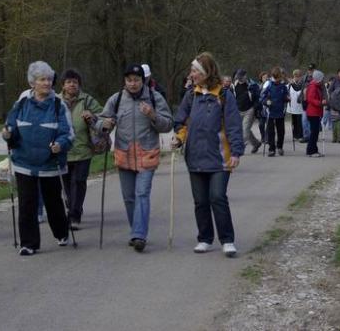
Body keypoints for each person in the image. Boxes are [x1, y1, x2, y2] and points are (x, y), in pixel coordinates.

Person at [173, 52, 244, 257]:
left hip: (220, 158)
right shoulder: (190, 95)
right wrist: (179, 137)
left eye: (195, 70)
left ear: (206, 72)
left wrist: (237, 152)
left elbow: (233, 126)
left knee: (217, 197)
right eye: (192, 70)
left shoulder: (224, 95)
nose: (191, 74)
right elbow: (181, 121)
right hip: (195, 156)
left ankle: (227, 240)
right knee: (200, 201)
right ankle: (204, 238)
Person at [96, 64, 173, 252]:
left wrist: (152, 115)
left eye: (136, 80)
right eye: (129, 80)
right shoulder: (117, 99)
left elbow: (168, 124)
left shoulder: (155, 98)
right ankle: (136, 230)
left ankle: (139, 235)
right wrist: (104, 124)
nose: (133, 84)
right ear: (125, 81)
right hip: (124, 154)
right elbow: (101, 122)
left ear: (143, 80)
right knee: (129, 198)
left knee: (142, 194)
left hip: (147, 153)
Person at [3, 61, 73, 256]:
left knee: (53, 202)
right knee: (27, 203)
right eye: (42, 79)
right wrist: (8, 134)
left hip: (49, 163)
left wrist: (60, 144)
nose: (47, 83)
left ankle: (61, 232)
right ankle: (29, 243)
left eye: (49, 79)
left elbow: (68, 134)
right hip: (24, 162)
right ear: (33, 82)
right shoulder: (22, 102)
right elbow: (10, 125)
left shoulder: (59, 105)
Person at [58, 68, 102, 229]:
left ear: (79, 85)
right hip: (63, 151)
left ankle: (74, 215)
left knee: (79, 181)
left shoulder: (87, 100)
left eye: (75, 82)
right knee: (66, 185)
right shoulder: (55, 101)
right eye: (68, 82)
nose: (72, 85)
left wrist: (92, 116)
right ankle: (73, 206)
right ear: (63, 85)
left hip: (83, 149)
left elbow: (103, 116)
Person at [260, 67, 289, 156]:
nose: (277, 79)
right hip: (270, 111)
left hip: (280, 111)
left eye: (278, 78)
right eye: (275, 78)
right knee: (270, 131)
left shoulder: (283, 86)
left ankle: (279, 147)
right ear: (273, 76)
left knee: (281, 131)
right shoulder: (268, 84)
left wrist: (287, 99)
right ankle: (271, 149)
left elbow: (285, 96)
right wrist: (266, 102)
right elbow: (262, 97)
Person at [233, 69, 262, 154]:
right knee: (246, 129)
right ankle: (256, 143)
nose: (244, 77)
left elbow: (258, 97)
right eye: (242, 76)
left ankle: (240, 148)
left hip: (249, 110)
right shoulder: (234, 85)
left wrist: (255, 107)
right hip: (238, 110)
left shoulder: (252, 85)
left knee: (245, 129)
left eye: (245, 75)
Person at [305, 69, 325, 157]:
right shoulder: (313, 86)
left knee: (315, 132)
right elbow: (310, 99)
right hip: (313, 112)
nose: (323, 80)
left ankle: (314, 150)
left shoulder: (317, 86)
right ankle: (311, 151)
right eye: (322, 78)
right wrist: (320, 103)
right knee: (314, 132)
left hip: (315, 112)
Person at [287, 69, 305, 145]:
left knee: (299, 121)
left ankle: (300, 135)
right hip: (292, 105)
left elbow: (300, 93)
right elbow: (287, 92)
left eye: (298, 76)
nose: (297, 78)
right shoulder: (289, 84)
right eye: (295, 76)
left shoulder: (302, 84)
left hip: (299, 105)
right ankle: (295, 135)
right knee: (294, 121)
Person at [329, 69, 340, 143]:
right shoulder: (335, 81)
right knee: (334, 121)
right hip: (334, 103)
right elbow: (330, 90)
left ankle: (339, 138)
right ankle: (334, 137)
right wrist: (333, 97)